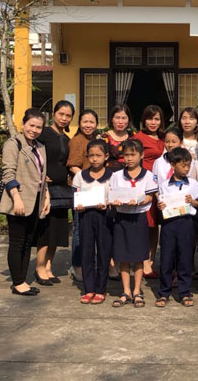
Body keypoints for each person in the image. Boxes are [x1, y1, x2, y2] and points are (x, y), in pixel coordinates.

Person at [0, 108, 51, 296]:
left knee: (28, 241)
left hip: (36, 201)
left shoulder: (40, 147)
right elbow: (8, 174)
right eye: (31, 125)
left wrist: (46, 197)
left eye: (38, 127)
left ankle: (22, 279)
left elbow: (43, 175)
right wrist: (16, 198)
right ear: (23, 124)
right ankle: (18, 282)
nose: (34, 130)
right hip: (19, 200)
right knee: (17, 242)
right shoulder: (13, 144)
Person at [109, 139, 157, 308]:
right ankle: (126, 291)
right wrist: (114, 201)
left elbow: (150, 196)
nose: (129, 158)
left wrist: (140, 201)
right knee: (122, 256)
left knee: (138, 256)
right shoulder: (116, 176)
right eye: (126, 155)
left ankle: (137, 290)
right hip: (121, 218)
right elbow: (111, 196)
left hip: (138, 218)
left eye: (133, 155)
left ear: (141, 155)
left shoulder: (149, 176)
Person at [155, 147, 198, 308]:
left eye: (188, 165)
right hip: (169, 223)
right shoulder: (164, 185)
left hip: (186, 223)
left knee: (185, 258)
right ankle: (164, 292)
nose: (186, 168)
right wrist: (160, 206)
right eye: (183, 165)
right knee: (166, 258)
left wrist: (192, 201)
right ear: (173, 165)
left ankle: (184, 292)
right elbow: (161, 203)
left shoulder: (193, 184)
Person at [36, 100, 74, 286]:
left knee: (57, 231)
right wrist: (40, 175)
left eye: (68, 116)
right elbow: (34, 156)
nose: (64, 118)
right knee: (45, 230)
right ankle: (39, 267)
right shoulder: (43, 134)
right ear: (54, 114)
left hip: (62, 190)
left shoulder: (66, 138)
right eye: (61, 114)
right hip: (46, 190)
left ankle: (49, 266)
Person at [72, 139, 113, 304]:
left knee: (104, 252)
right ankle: (89, 289)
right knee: (86, 252)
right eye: (91, 155)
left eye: (98, 155)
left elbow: (115, 197)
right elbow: (75, 197)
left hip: (105, 217)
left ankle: (101, 289)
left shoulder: (112, 176)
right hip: (86, 217)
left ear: (106, 156)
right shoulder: (80, 176)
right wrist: (78, 206)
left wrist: (108, 204)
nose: (95, 159)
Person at [133, 105, 166, 278]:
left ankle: (152, 261)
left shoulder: (164, 138)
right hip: (145, 185)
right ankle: (144, 262)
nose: (153, 122)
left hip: (163, 186)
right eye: (150, 118)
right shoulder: (138, 138)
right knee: (146, 224)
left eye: (157, 119)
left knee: (155, 226)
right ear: (144, 120)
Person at [66, 109, 99, 281]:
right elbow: (72, 165)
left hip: (96, 188)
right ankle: (77, 265)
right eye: (85, 121)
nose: (88, 125)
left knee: (94, 226)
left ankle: (90, 263)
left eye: (91, 122)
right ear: (79, 123)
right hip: (81, 188)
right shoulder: (76, 141)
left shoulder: (96, 141)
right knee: (79, 227)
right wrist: (87, 179)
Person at [101, 104, 133, 171]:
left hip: (129, 174)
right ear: (112, 119)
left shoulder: (133, 137)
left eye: (124, 118)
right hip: (108, 174)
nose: (120, 122)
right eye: (117, 118)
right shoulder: (103, 138)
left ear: (129, 120)